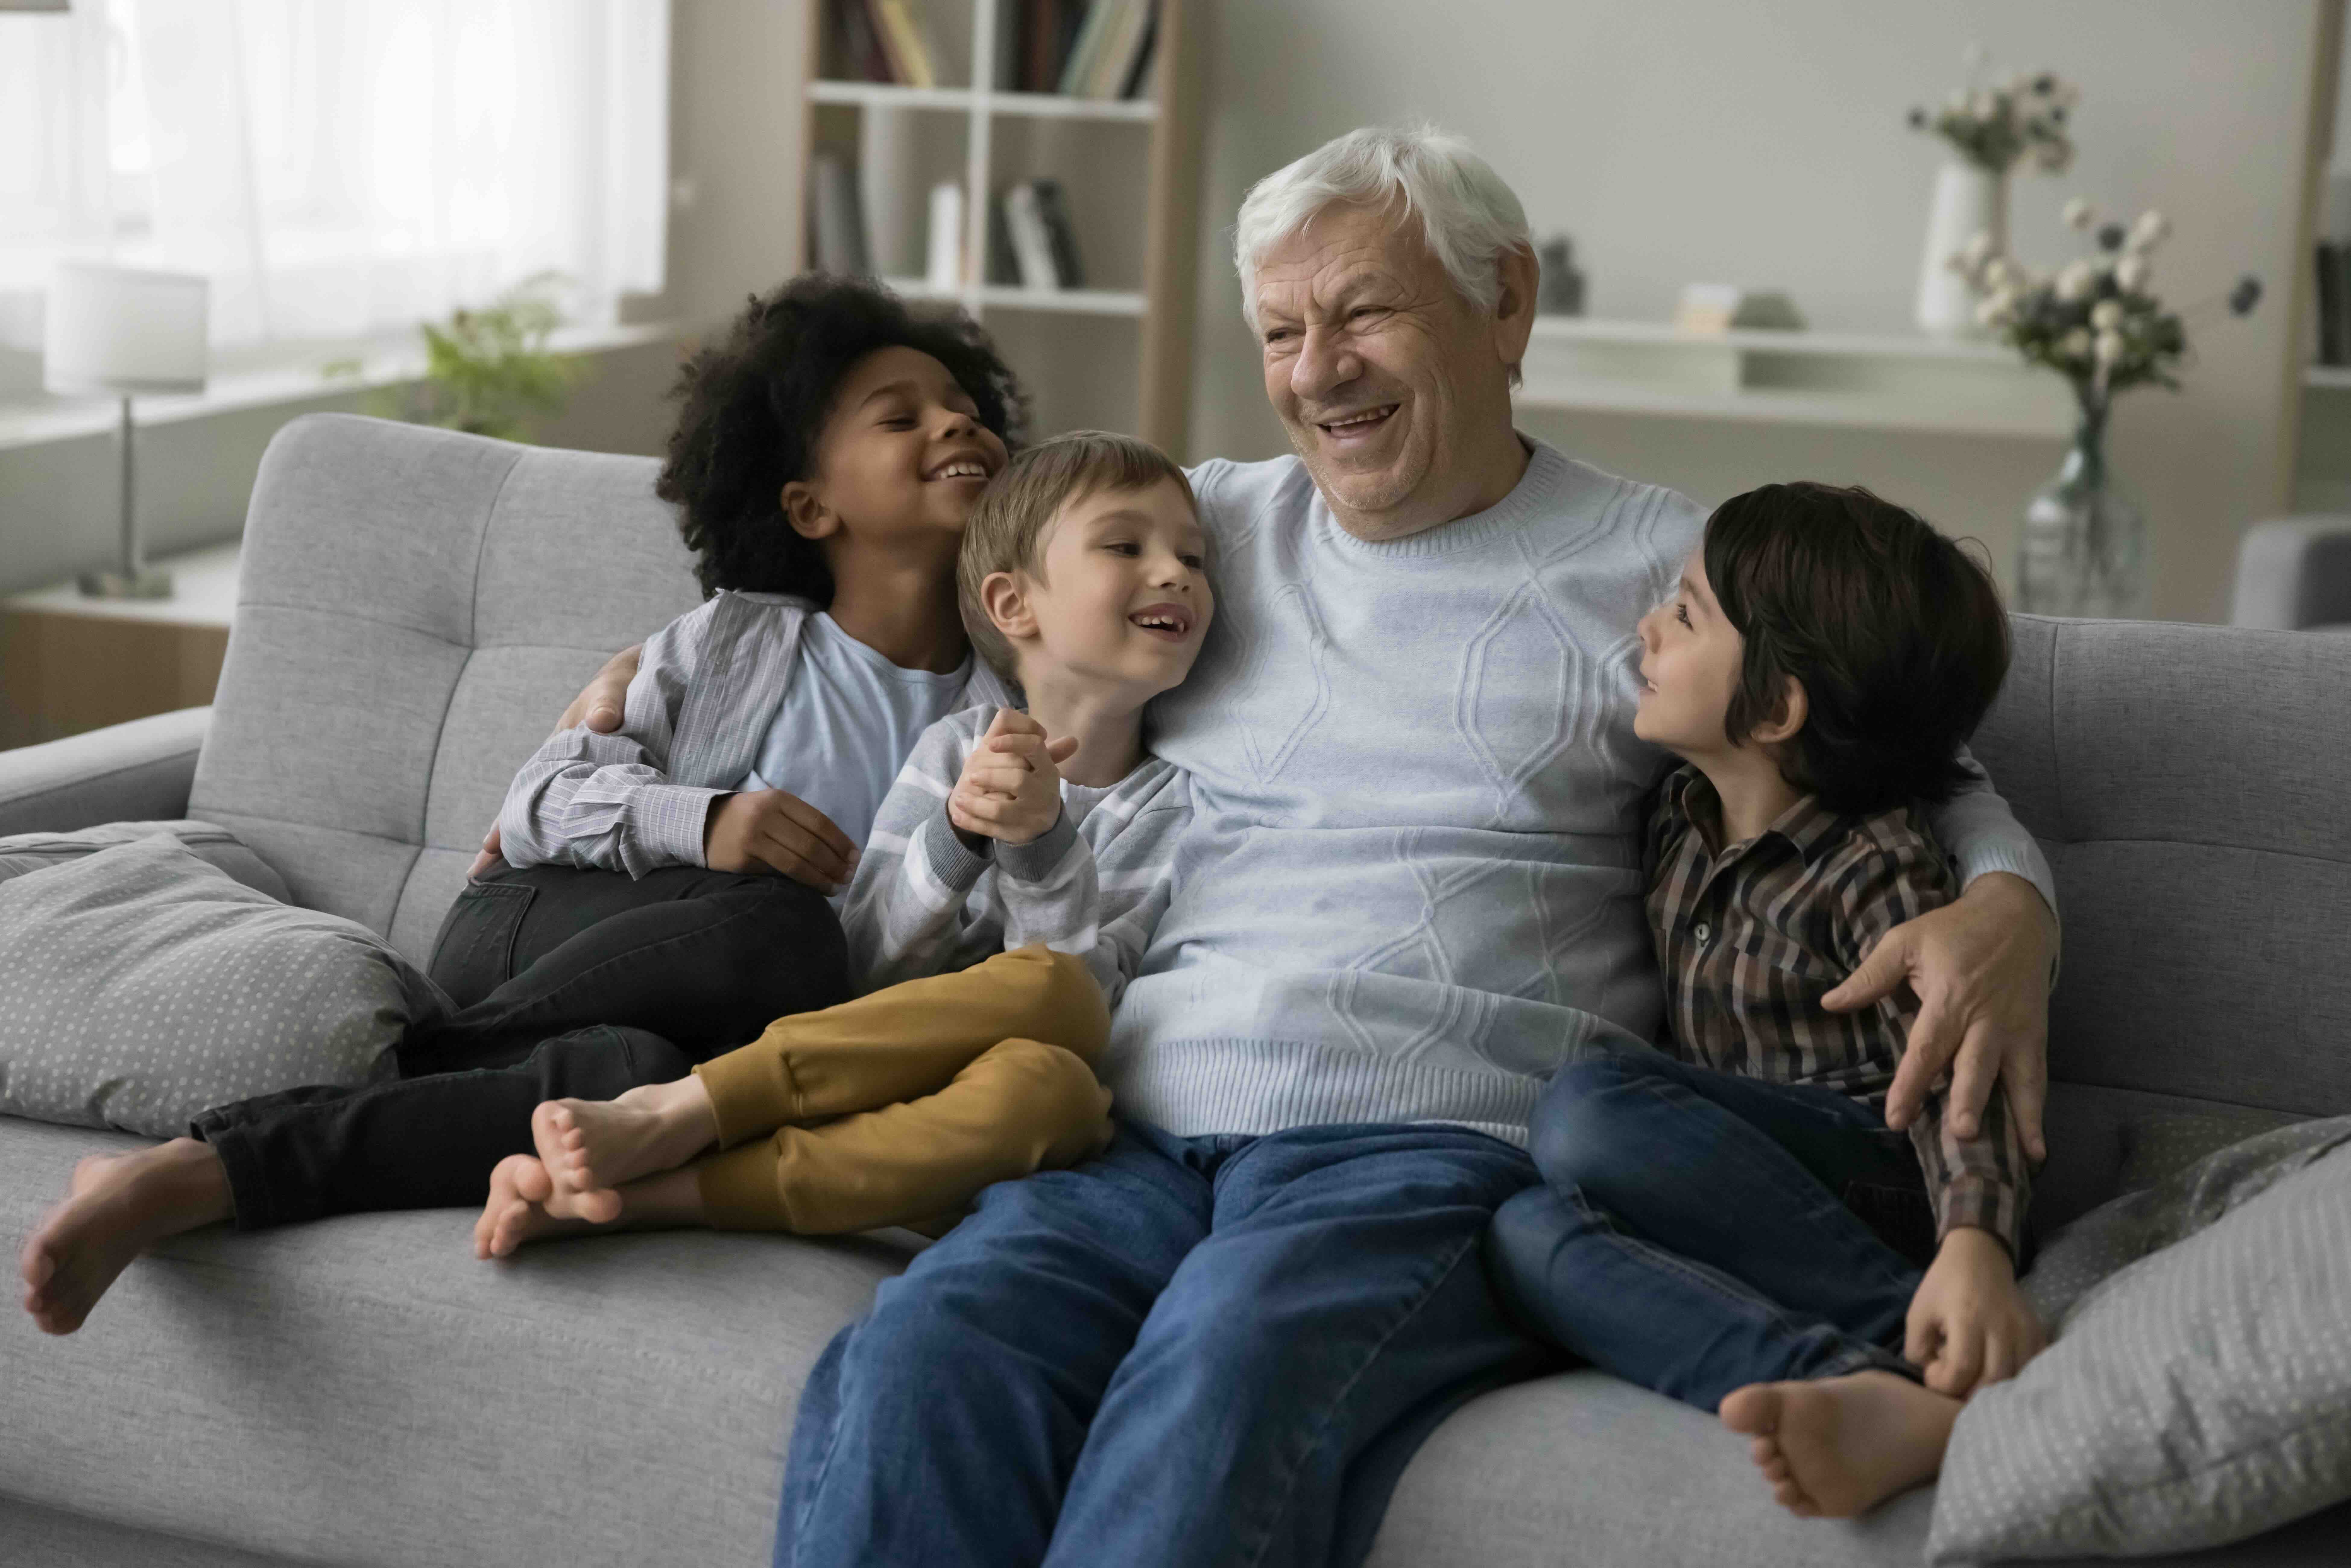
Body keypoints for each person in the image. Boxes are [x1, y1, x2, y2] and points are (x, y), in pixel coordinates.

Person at [488, 128, 2065, 1568]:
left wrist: (2008, 909)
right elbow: (986, 609)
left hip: (1418, 1148)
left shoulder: (1665, 566)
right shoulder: (1208, 527)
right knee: (922, 1359)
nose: (1318, 374)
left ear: (1501, 305)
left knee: (1210, 1402)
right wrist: (669, 689)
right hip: (1130, 1126)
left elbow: (1907, 754)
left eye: (1363, 315)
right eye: (1279, 334)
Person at [19, 275, 1028, 1336]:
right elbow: (542, 797)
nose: (954, 420)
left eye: (962, 405)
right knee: (781, 924)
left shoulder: (1000, 715)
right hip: (534, 923)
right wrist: (711, 823)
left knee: (641, 1082)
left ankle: (204, 1169)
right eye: (901, 415)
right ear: (809, 506)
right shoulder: (732, 646)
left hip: (696, 1032)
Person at [470, 431, 1213, 1258]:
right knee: (1052, 1015)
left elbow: (1078, 1009)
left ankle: (648, 1195)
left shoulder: (1175, 806)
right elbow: (869, 962)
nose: (1178, 571)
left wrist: (1040, 844)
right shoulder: (951, 748)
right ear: (1014, 606)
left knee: (1064, 1087)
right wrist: (960, 831)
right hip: (847, 1066)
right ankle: (682, 1111)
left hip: (958, 1120)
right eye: (1126, 545)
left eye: (1195, 555)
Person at [1484, 481, 2046, 1522]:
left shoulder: (1875, 867)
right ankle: (1863, 1382)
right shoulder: (1675, 813)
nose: (1646, 627)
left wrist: (1978, 1244)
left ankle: (1938, 1336)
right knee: (1521, 1233)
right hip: (1737, 1190)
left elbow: (1955, 1076)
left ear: (1779, 709)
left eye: (1685, 614)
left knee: (1587, 1110)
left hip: (1882, 1176)